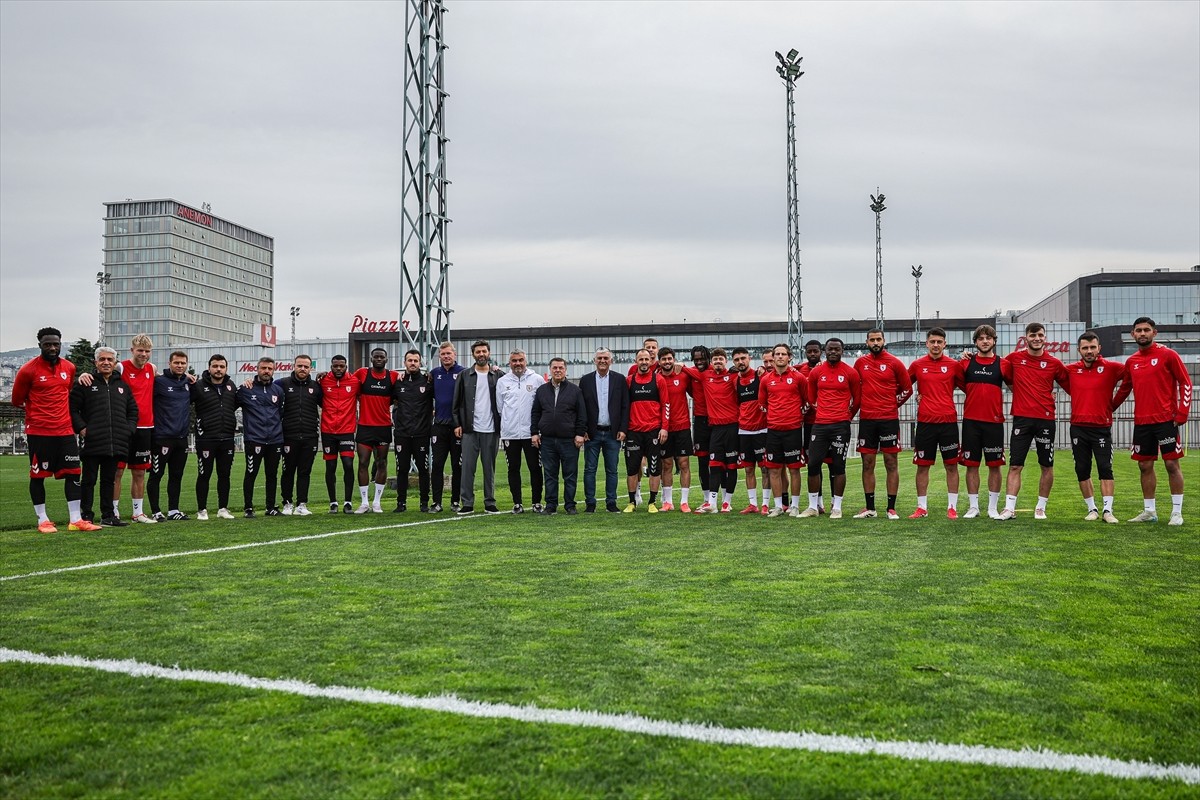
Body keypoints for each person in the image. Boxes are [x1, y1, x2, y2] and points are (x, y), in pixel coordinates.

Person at [12, 327, 95, 532]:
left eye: (55, 344)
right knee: (38, 475)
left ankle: (75, 520)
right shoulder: (27, 370)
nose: (52, 347)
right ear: (39, 344)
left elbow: (65, 392)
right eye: (47, 344)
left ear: (60, 344)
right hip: (40, 432)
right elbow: (17, 400)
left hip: (65, 431)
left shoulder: (69, 367)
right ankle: (43, 520)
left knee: (74, 473)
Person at [1119, 316, 1191, 525]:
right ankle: (1149, 511)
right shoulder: (1131, 361)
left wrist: (1182, 412)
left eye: (1146, 330)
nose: (1142, 333)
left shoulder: (1169, 355)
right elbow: (1124, 389)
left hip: (1166, 420)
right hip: (1142, 422)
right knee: (1144, 466)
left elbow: (1185, 383)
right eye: (1138, 330)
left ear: (1154, 332)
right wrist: (1109, 408)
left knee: (1171, 464)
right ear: (1133, 334)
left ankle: (1176, 512)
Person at [998, 322, 1070, 521]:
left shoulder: (1055, 363)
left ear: (1044, 337)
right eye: (1032, 335)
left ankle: (1041, 507)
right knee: (1015, 466)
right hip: (1021, 419)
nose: (1036, 338)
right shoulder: (1014, 358)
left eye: (1040, 335)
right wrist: (967, 357)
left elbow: (1073, 385)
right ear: (1026, 338)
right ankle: (1009, 508)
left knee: (1046, 465)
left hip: (1046, 420)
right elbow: (995, 369)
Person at [70, 346, 139, 528]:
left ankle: (108, 515)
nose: (106, 362)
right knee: (89, 480)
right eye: (102, 359)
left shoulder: (122, 386)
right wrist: (82, 428)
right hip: (93, 442)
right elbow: (72, 409)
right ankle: (86, 515)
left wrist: (128, 429)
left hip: (116, 442)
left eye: (110, 360)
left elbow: (133, 411)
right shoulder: (85, 383)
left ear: (115, 363)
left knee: (110, 480)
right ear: (96, 363)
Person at [1064, 331, 1127, 523]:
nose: (1089, 351)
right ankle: (1092, 509)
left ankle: (1108, 511)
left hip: (1101, 427)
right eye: (1085, 348)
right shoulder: (1070, 369)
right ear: (1079, 350)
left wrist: (1113, 404)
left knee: (1105, 467)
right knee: (1082, 468)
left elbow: (1133, 376)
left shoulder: (1112, 367)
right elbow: (1049, 374)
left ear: (1099, 348)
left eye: (1092, 347)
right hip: (1078, 427)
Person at [852, 329, 912, 520]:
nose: (876, 342)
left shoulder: (895, 362)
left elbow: (907, 389)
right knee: (867, 464)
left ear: (884, 341)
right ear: (867, 342)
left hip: (888, 420)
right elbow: (854, 388)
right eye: (872, 340)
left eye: (878, 339)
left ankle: (891, 508)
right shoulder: (860, 363)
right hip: (867, 420)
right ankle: (870, 508)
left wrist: (893, 404)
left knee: (891, 463)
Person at [907, 328, 965, 519]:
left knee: (951, 466)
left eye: (939, 342)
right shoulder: (917, 365)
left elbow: (970, 386)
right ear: (927, 343)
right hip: (925, 423)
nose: (936, 345)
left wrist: (969, 361)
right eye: (932, 341)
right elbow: (903, 385)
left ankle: (952, 507)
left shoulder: (954, 365)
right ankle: (922, 507)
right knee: (922, 466)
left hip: (948, 422)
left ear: (945, 344)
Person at [800, 338, 860, 519]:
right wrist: (822, 412)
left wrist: (846, 416)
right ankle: (812, 507)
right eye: (830, 349)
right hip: (819, 426)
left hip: (841, 425)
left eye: (837, 349)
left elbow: (857, 400)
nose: (833, 352)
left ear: (842, 351)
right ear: (825, 351)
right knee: (813, 465)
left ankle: (837, 507)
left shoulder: (851, 372)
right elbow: (811, 398)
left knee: (838, 466)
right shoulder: (817, 372)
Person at [958, 325, 1007, 519]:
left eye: (988, 338)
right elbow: (949, 383)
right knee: (972, 465)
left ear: (994, 341)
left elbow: (1016, 386)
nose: (985, 341)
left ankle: (992, 507)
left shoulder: (1003, 364)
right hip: (971, 422)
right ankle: (973, 507)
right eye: (981, 338)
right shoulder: (965, 363)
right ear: (976, 342)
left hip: (994, 423)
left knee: (995, 465)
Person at [531, 357, 587, 514]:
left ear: (565, 370)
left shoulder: (575, 391)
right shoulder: (542, 390)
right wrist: (534, 432)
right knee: (550, 474)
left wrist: (580, 434)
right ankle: (551, 505)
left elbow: (582, 415)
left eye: (560, 368)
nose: (557, 370)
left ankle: (570, 505)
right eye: (554, 368)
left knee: (570, 475)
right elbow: (535, 412)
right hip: (547, 440)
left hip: (569, 440)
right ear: (550, 370)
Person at [452, 340, 501, 514]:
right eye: (478, 351)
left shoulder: (498, 375)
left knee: (490, 468)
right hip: (469, 429)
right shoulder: (464, 375)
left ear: (489, 353)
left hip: (491, 429)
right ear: (473, 354)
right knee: (467, 468)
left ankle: (490, 502)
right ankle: (467, 503)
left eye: (484, 351)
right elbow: (456, 402)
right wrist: (457, 423)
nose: (481, 354)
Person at [758, 342, 807, 518]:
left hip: (793, 430)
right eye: (776, 354)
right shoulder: (766, 380)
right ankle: (778, 506)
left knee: (794, 469)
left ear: (789, 357)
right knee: (774, 469)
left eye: (783, 354)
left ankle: (794, 506)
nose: (779, 357)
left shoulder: (798, 377)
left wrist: (793, 416)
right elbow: (762, 404)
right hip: (773, 431)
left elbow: (805, 401)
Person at [112, 334, 156, 523]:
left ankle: (138, 512)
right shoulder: (121, 367)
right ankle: (113, 511)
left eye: (147, 351)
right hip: (123, 426)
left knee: (139, 472)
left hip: (145, 427)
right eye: (140, 350)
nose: (143, 354)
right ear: (132, 350)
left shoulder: (152, 369)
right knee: (117, 471)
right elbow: (103, 377)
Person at [689, 348, 739, 513]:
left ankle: (727, 502)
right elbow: (685, 370)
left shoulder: (733, 376)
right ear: (712, 361)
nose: (718, 361)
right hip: (714, 427)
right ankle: (711, 503)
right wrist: (678, 365)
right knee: (714, 464)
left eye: (721, 359)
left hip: (732, 426)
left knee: (731, 466)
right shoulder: (704, 376)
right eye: (715, 359)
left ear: (726, 361)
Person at [580, 347, 630, 513]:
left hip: (612, 433)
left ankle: (611, 502)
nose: (602, 361)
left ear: (611, 361)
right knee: (589, 469)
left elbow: (625, 406)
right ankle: (590, 503)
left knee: (612, 470)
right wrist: (583, 429)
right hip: (592, 433)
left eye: (606, 358)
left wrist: (623, 429)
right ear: (594, 360)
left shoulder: (619, 379)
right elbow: (582, 408)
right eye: (599, 358)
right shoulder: (585, 380)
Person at [190, 354, 238, 520]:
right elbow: (184, 404)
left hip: (227, 439)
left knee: (224, 475)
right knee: (204, 474)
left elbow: (235, 405)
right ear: (209, 367)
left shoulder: (231, 386)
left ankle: (223, 508)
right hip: (206, 439)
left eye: (222, 367)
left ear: (226, 368)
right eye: (215, 366)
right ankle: (202, 510)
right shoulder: (197, 386)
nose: (218, 369)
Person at [497, 349, 545, 513]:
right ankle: (517, 503)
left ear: (526, 361)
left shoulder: (537, 379)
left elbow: (542, 407)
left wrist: (537, 431)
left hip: (531, 433)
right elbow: (500, 408)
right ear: (509, 363)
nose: (517, 363)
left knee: (535, 467)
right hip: (510, 434)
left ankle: (536, 502)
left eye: (520, 360)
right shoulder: (503, 381)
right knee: (513, 468)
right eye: (514, 361)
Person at [238, 356, 285, 517]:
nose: (266, 371)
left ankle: (270, 507)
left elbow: (280, 413)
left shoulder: (278, 391)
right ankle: (248, 508)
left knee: (272, 475)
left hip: (275, 439)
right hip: (254, 439)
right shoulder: (246, 389)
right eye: (263, 368)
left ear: (273, 370)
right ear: (256, 369)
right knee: (251, 473)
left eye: (269, 369)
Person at [148, 350, 193, 521]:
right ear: (169, 363)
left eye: (183, 363)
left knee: (176, 475)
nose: (180, 366)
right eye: (177, 363)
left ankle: (174, 510)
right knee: (156, 475)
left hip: (181, 438)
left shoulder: (188, 383)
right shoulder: (158, 382)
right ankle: (156, 511)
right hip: (162, 438)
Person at [624, 348, 670, 512]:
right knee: (632, 468)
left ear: (651, 361)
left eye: (646, 359)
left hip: (653, 431)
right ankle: (631, 502)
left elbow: (666, 405)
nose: (644, 362)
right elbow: (624, 406)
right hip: (633, 431)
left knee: (654, 468)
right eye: (640, 359)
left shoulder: (659, 380)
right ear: (636, 362)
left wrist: (664, 428)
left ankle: (652, 502)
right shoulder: (629, 381)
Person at [277, 354, 323, 516]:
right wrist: (249, 381)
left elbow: (330, 401)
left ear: (310, 368)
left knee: (305, 472)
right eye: (300, 366)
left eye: (306, 366)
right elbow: (264, 386)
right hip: (289, 436)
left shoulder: (316, 387)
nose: (302, 369)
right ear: (294, 366)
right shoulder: (282, 384)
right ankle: (287, 504)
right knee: (288, 471)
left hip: (310, 436)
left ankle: (302, 504)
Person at [353, 348, 398, 513]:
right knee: (363, 463)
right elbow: (347, 383)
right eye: (376, 356)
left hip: (383, 427)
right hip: (364, 427)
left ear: (386, 359)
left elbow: (399, 395)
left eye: (382, 357)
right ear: (371, 358)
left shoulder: (393, 376)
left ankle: (377, 502)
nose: (379, 359)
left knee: (381, 462)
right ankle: (364, 502)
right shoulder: (361, 373)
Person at [392, 349, 434, 512]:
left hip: (422, 434)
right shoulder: (398, 382)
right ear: (405, 363)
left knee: (423, 470)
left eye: (416, 361)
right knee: (402, 469)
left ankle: (424, 502)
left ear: (420, 363)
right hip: (402, 434)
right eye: (410, 360)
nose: (413, 363)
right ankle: (401, 503)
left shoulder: (428, 382)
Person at [319, 355, 360, 513]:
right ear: (331, 366)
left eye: (341, 366)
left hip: (347, 430)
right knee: (330, 466)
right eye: (335, 366)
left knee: (348, 465)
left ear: (346, 366)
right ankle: (333, 503)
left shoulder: (355, 382)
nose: (338, 369)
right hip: (328, 431)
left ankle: (348, 502)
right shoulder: (323, 381)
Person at [655, 348, 693, 513]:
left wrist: (683, 366)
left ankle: (684, 502)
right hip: (664, 429)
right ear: (659, 361)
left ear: (674, 359)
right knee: (667, 464)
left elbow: (698, 381)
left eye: (670, 359)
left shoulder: (683, 376)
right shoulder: (655, 378)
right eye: (664, 359)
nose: (667, 362)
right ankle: (668, 502)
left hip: (683, 426)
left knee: (684, 464)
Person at [430, 342, 465, 512]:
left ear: (455, 354)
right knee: (437, 465)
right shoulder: (434, 374)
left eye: (449, 353)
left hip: (457, 427)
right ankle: (436, 502)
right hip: (439, 426)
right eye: (443, 354)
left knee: (457, 465)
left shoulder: (463, 373)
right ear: (439, 356)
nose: (446, 357)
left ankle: (455, 501)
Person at [733, 347, 769, 514]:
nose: (741, 362)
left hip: (762, 429)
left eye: (743, 358)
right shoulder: (736, 381)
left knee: (765, 468)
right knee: (748, 469)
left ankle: (766, 504)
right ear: (733, 362)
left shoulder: (760, 376)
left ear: (749, 358)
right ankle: (753, 504)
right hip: (744, 431)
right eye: (737, 359)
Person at [797, 339, 825, 512]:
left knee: (832, 465)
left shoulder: (827, 368)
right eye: (810, 351)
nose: (813, 354)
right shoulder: (799, 370)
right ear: (806, 352)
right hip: (808, 425)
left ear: (820, 351)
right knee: (813, 464)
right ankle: (818, 502)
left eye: (815, 351)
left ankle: (835, 503)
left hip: (828, 422)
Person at [688, 345, 712, 495]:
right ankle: (706, 498)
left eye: (702, 358)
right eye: (696, 359)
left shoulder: (717, 371)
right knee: (702, 461)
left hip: (717, 422)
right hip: (700, 421)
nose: (699, 362)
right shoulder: (691, 374)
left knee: (718, 462)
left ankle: (722, 499)